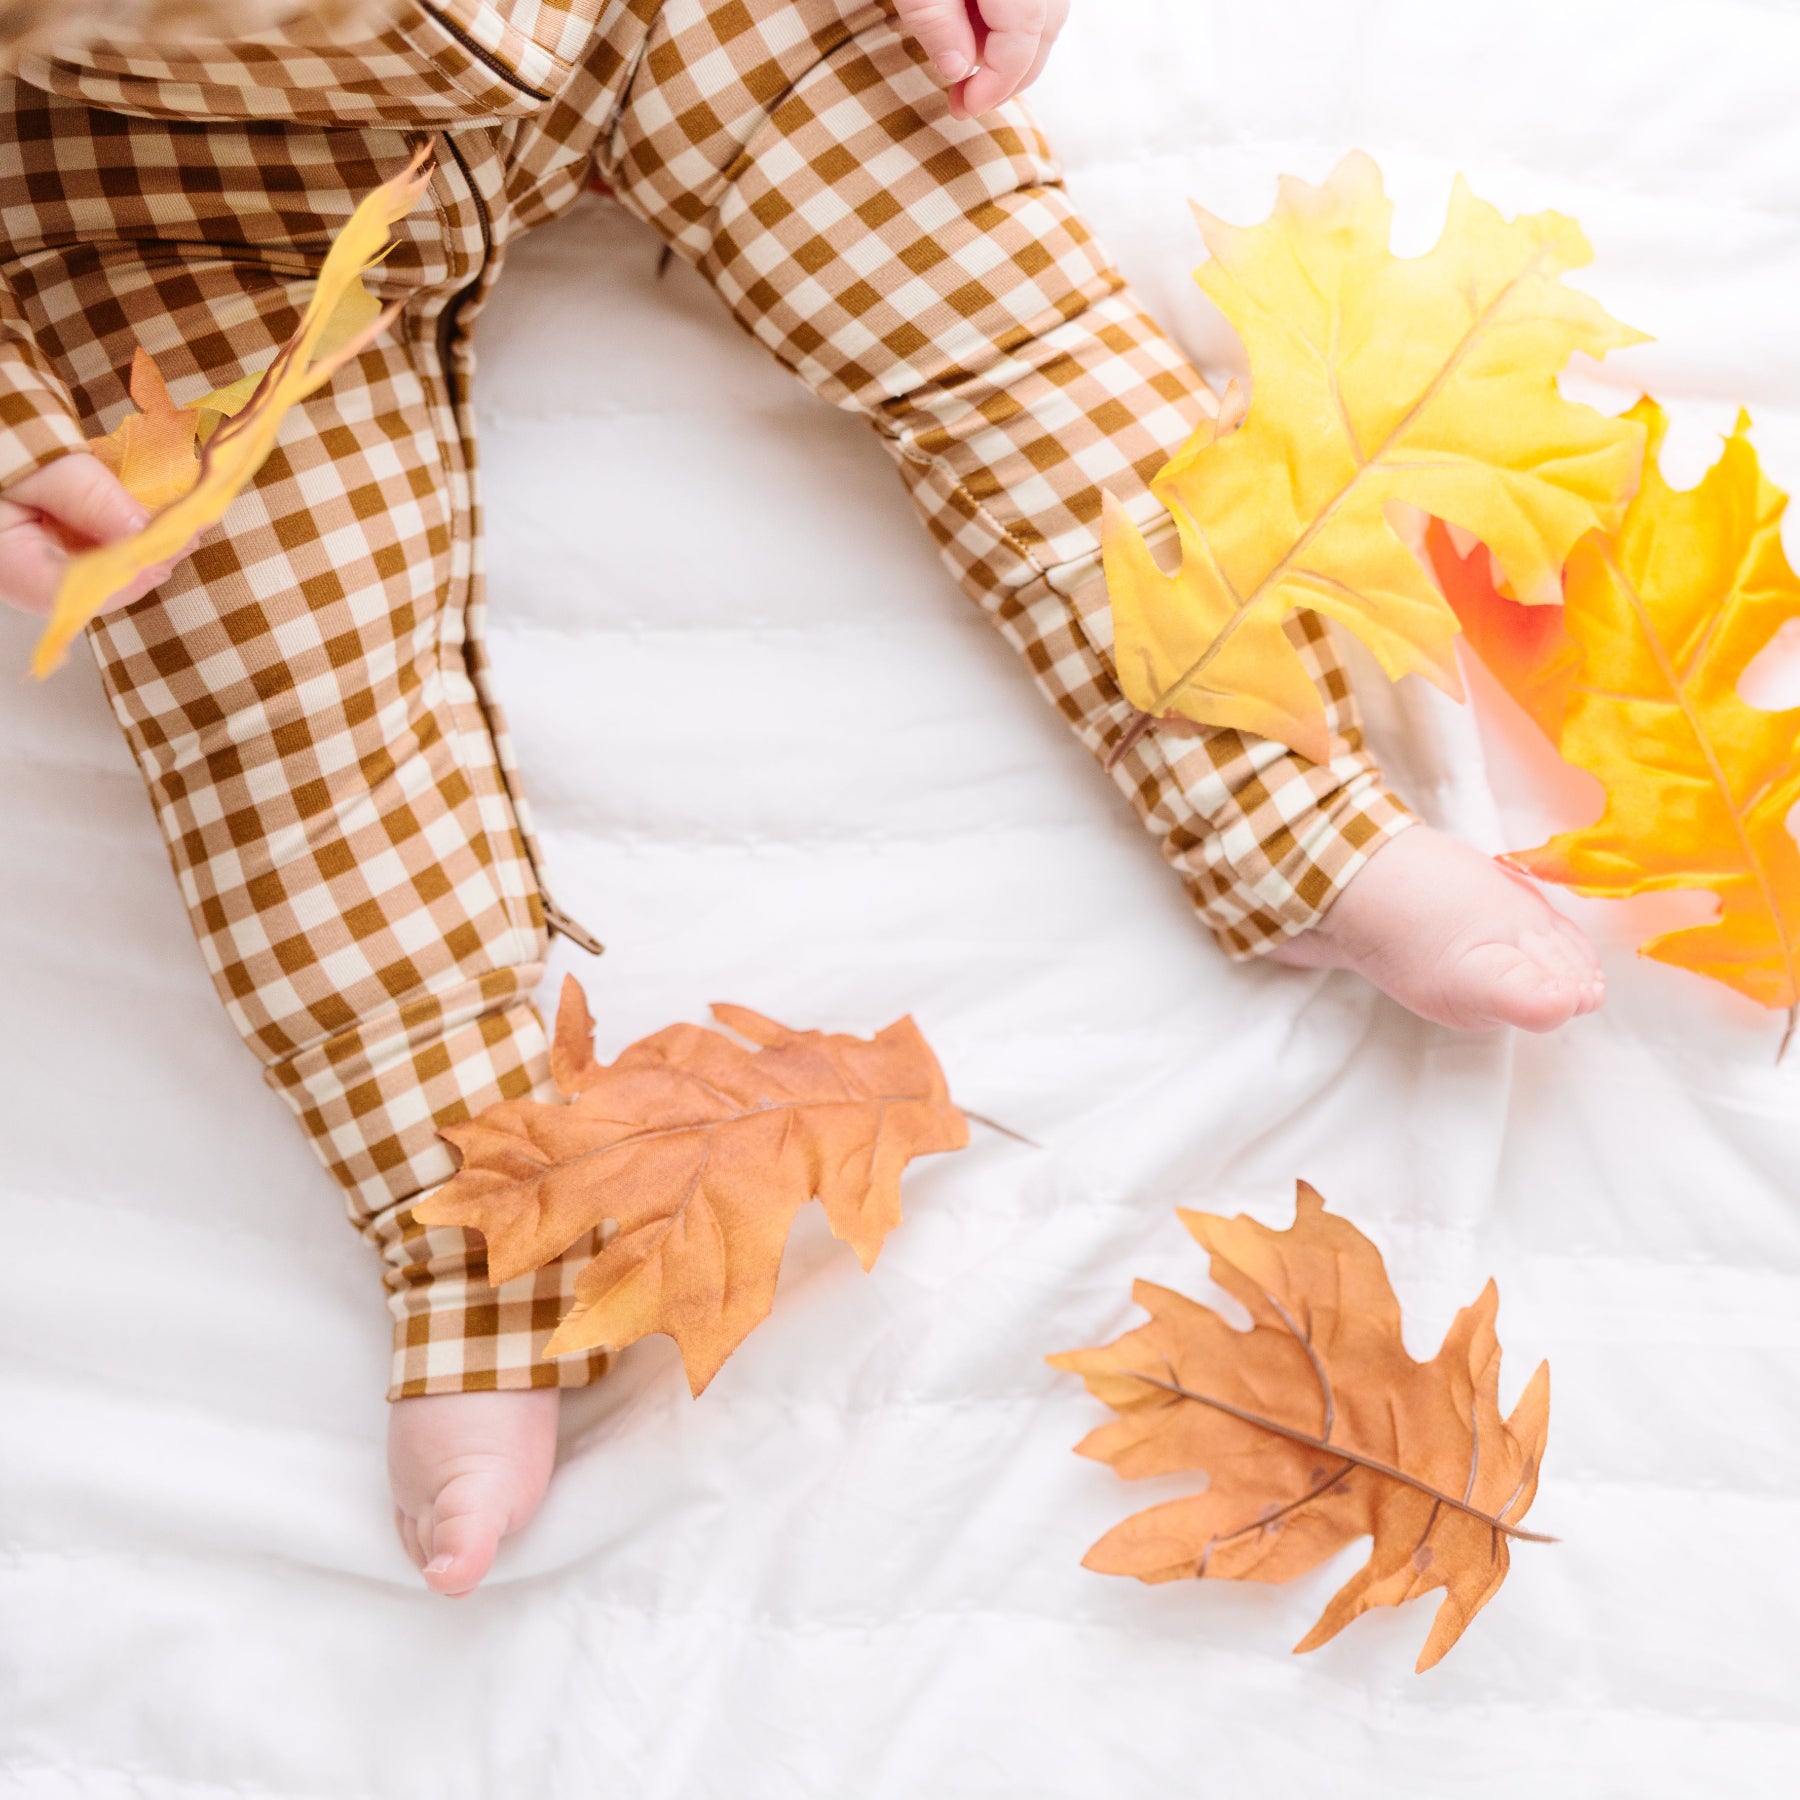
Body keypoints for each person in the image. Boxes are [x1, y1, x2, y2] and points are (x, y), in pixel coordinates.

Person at [0, 0, 1602, 1596]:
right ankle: (481, 1235)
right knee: (281, 685)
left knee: (1004, 317)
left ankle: (1292, 814)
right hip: (155, 179)